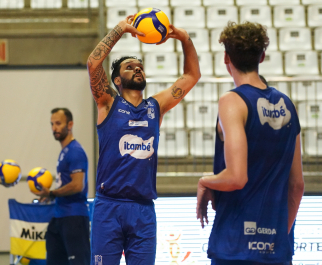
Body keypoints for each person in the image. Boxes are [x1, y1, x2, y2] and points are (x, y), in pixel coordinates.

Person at [86, 14, 200, 265]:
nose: (137, 68)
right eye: (129, 67)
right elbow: (93, 64)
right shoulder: (107, 103)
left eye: (140, 66)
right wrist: (119, 29)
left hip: (143, 209)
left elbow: (191, 76)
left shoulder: (155, 107)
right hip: (109, 207)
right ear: (117, 80)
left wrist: (184, 38)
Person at [196, 22, 304, 265]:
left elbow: (236, 177)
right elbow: (297, 185)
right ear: (262, 56)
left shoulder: (232, 101)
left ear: (226, 57)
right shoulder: (288, 104)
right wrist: (277, 237)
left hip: (235, 244)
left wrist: (205, 181)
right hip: (276, 248)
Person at [32, 108, 90, 265]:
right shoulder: (64, 152)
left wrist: (52, 193)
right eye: (52, 124)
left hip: (74, 218)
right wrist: (50, 195)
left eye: (58, 123)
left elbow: (78, 185)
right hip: (59, 217)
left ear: (70, 124)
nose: (54, 128)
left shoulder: (75, 151)